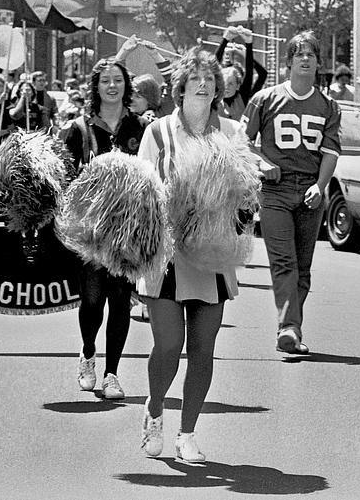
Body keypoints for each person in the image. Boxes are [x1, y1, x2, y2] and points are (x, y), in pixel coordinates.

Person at [137, 47, 251, 463]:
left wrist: (240, 202)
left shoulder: (233, 132)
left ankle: (187, 432)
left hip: (214, 253)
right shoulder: (158, 133)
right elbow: (141, 190)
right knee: (168, 345)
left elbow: (246, 192)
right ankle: (153, 411)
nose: (203, 83)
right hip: (165, 253)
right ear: (180, 86)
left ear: (218, 86)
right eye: (195, 77)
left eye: (209, 77)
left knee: (203, 347)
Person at [241, 30, 341, 355]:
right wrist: (262, 163)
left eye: (311, 54)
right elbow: (241, 143)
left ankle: (291, 328)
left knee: (303, 267)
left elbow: (330, 152)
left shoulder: (328, 106)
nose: (305, 58)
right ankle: (289, 328)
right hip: (275, 190)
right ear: (288, 62)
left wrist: (320, 186)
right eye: (299, 53)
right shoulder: (265, 99)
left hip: (310, 190)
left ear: (318, 63)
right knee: (284, 262)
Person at [62, 58, 148, 399]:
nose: (112, 86)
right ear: (95, 87)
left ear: (127, 86)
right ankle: (87, 352)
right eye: (105, 81)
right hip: (91, 230)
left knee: (120, 300)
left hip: (128, 229)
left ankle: (112, 373)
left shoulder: (141, 128)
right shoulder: (79, 129)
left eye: (118, 80)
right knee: (93, 300)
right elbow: (66, 179)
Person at [215, 25, 268, 120]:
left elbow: (251, 73)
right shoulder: (214, 96)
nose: (227, 87)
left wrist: (248, 44)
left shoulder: (242, 97)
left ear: (238, 86)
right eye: (224, 83)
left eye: (231, 83)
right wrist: (225, 39)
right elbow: (212, 68)